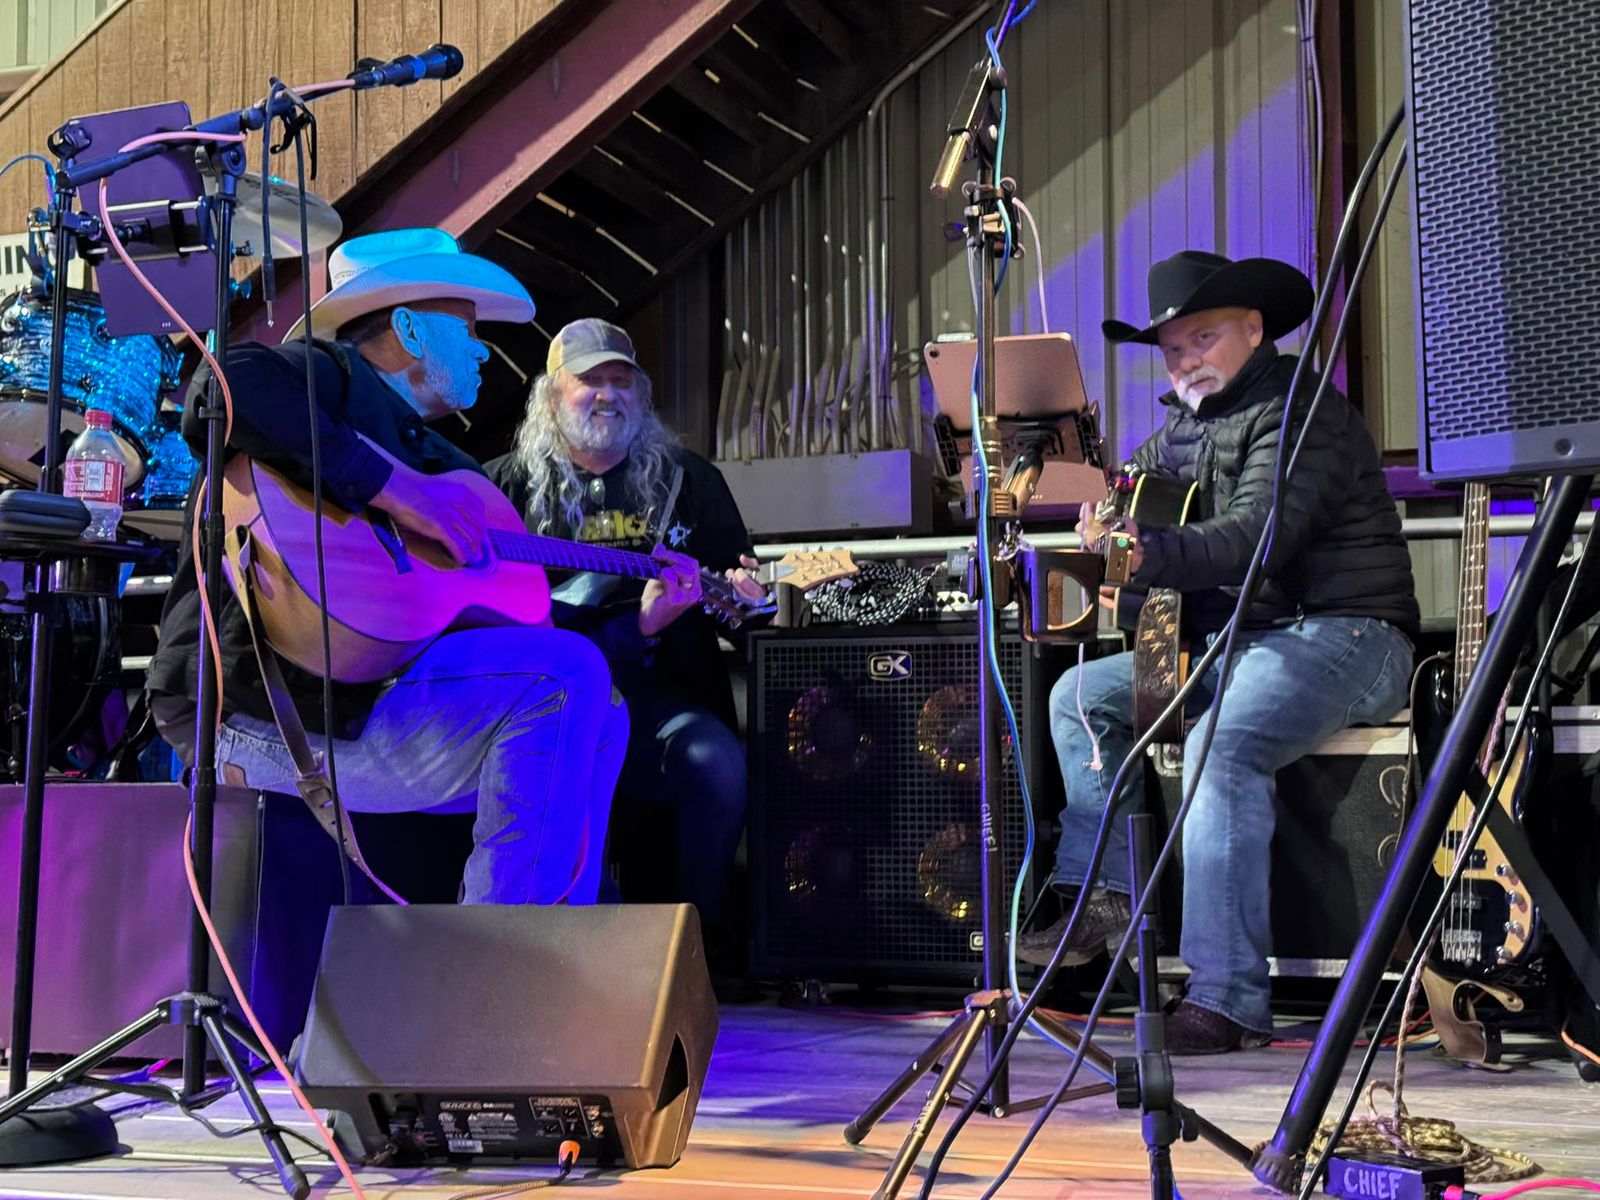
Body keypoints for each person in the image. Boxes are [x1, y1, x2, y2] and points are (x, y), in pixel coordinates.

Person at [147, 228, 626, 905]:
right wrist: (397, 492)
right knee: (566, 675)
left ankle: (558, 935)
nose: (484, 351)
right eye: (467, 330)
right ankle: (505, 951)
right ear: (408, 329)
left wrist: (641, 611)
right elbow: (222, 387)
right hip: (256, 711)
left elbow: (507, 617)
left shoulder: (448, 466)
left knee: (603, 709)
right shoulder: (333, 377)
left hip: (364, 700)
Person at [1017, 250, 1420, 1054]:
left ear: (1254, 329)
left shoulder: (1302, 411)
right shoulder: (1180, 430)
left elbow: (1254, 536)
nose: (1186, 361)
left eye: (1202, 339)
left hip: (1350, 633)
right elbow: (1135, 499)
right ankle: (1107, 892)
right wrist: (1103, 519)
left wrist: (1145, 553)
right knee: (1079, 699)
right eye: (1173, 350)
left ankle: (1227, 998)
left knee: (1218, 741)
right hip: (1244, 647)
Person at [486, 318, 763, 961]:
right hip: (540, 708)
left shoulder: (689, 481)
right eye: (591, 380)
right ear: (552, 395)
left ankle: (701, 953)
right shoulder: (501, 487)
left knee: (716, 762)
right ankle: (551, 962)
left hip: (660, 707)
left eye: (622, 381)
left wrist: (750, 600)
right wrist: (633, 625)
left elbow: (741, 605)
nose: (609, 394)